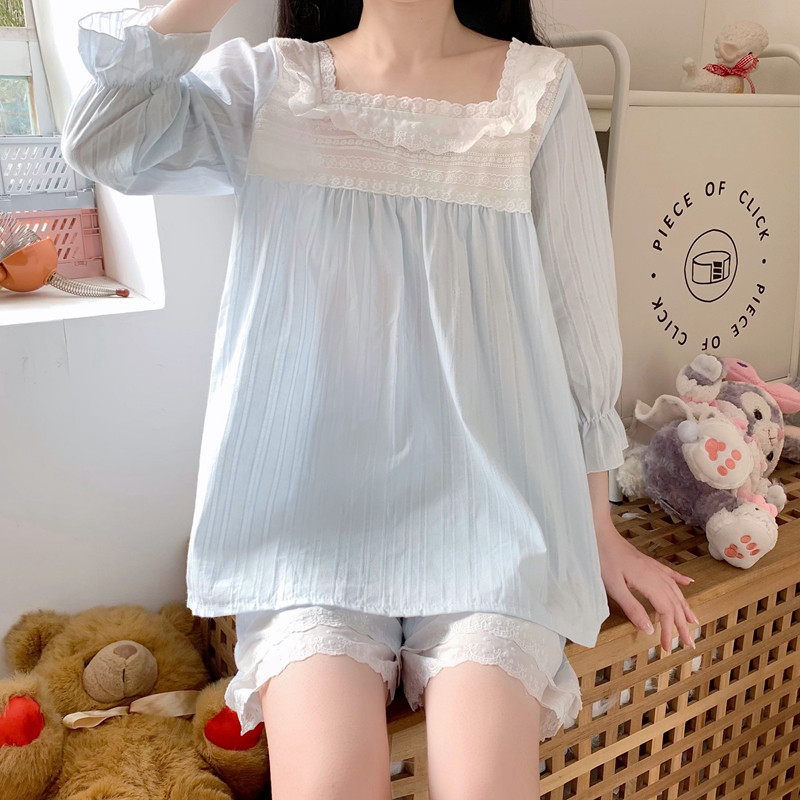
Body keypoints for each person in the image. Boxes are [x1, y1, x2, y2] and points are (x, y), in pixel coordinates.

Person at [61, 1, 698, 798]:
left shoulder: (537, 89)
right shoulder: (272, 84)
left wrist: (596, 527)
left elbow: (581, 323)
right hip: (308, 534)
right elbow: (105, 138)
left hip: (492, 527)